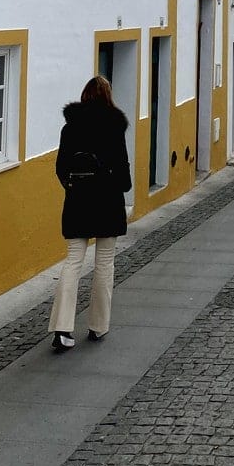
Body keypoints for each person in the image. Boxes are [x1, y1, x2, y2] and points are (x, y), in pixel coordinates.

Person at [48, 75, 132, 352]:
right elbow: (122, 166)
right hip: (107, 200)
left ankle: (61, 329)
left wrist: (74, 187)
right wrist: (120, 185)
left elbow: (61, 167)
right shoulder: (114, 125)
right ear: (108, 96)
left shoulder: (70, 127)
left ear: (84, 95)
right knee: (104, 263)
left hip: (79, 200)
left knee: (73, 262)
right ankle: (98, 326)